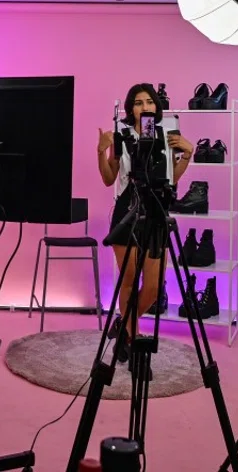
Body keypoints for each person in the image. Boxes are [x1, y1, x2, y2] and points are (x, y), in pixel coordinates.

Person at [97, 84, 193, 362]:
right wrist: (101, 151)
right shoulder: (121, 136)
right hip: (127, 212)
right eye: (138, 103)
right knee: (128, 282)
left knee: (152, 287)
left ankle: (123, 328)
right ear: (130, 109)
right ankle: (134, 341)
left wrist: (188, 154)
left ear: (156, 107)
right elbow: (107, 179)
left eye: (149, 101)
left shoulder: (168, 135)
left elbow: (172, 177)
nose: (144, 107)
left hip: (157, 211)